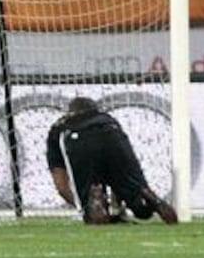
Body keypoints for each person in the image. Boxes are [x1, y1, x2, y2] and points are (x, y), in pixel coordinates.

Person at [45, 96, 178, 225]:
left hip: (77, 139)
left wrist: (82, 205)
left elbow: (61, 185)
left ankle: (95, 200)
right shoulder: (107, 119)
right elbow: (118, 175)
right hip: (113, 135)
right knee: (142, 210)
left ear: (69, 112)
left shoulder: (59, 128)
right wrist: (118, 208)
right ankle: (147, 195)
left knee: (90, 206)